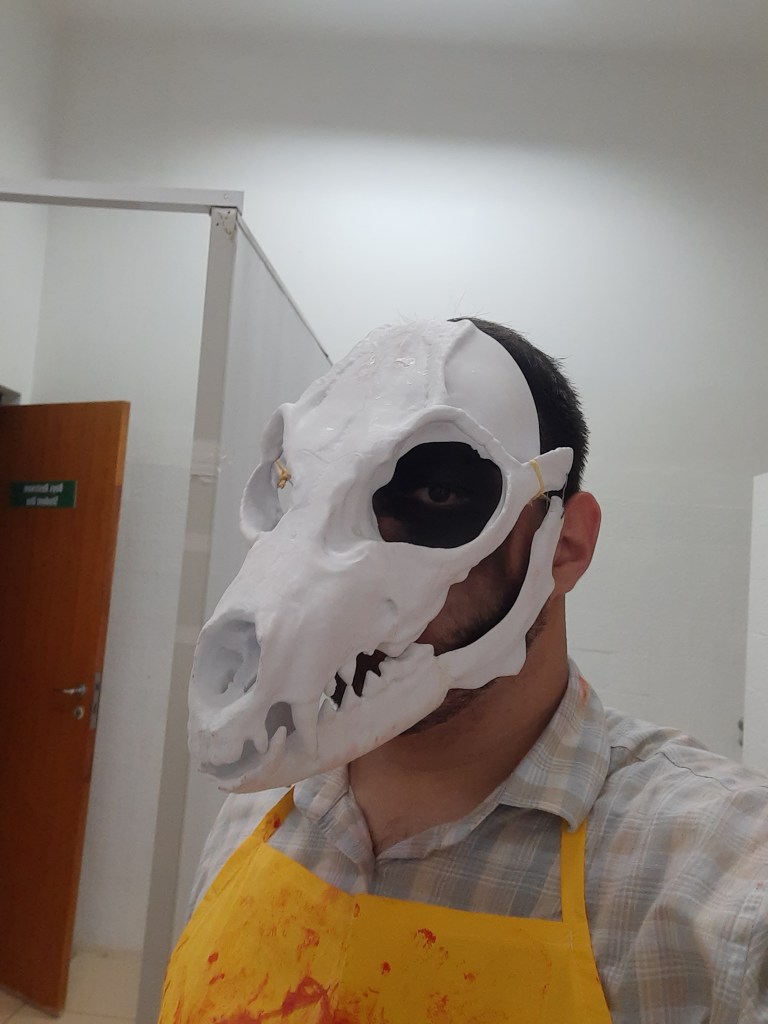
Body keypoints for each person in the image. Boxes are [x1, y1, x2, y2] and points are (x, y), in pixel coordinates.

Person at [160, 318, 768, 1023]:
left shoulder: (717, 891)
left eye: (437, 496)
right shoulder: (258, 809)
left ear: (563, 545)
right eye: (296, 488)